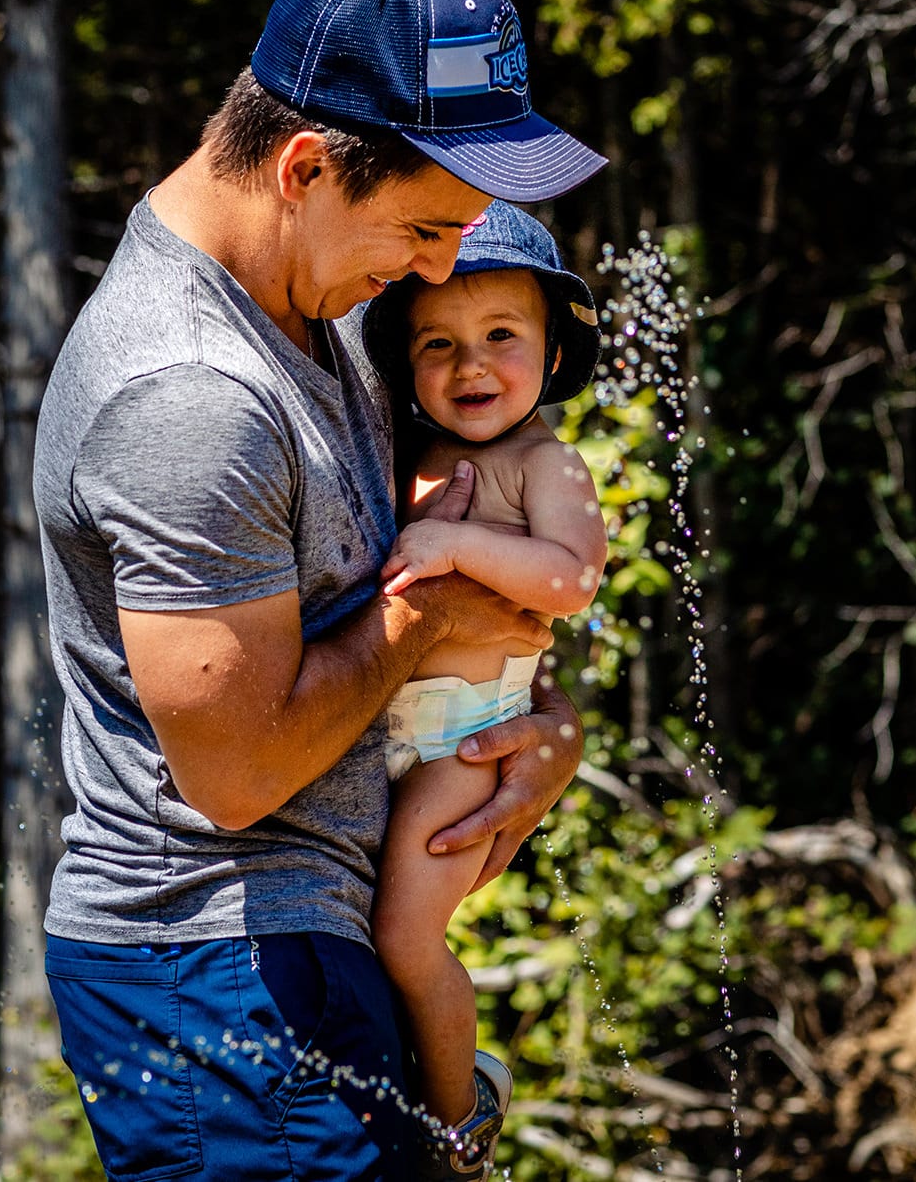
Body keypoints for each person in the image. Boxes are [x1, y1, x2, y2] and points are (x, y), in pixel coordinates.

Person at [33, 0, 605, 1182]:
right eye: (426, 226)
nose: (443, 268)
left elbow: (465, 599)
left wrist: (539, 739)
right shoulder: (189, 393)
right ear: (303, 168)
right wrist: (431, 618)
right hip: (214, 970)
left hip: (304, 943)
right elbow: (235, 775)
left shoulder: (324, 308)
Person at [360, 201, 608, 1166]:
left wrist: (459, 542)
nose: (469, 365)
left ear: (551, 357)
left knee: (406, 936)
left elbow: (572, 579)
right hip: (387, 731)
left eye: (501, 336)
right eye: (438, 343)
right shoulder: (407, 454)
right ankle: (436, 1076)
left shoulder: (548, 461)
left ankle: (460, 1118)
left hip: (468, 736)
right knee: (376, 932)